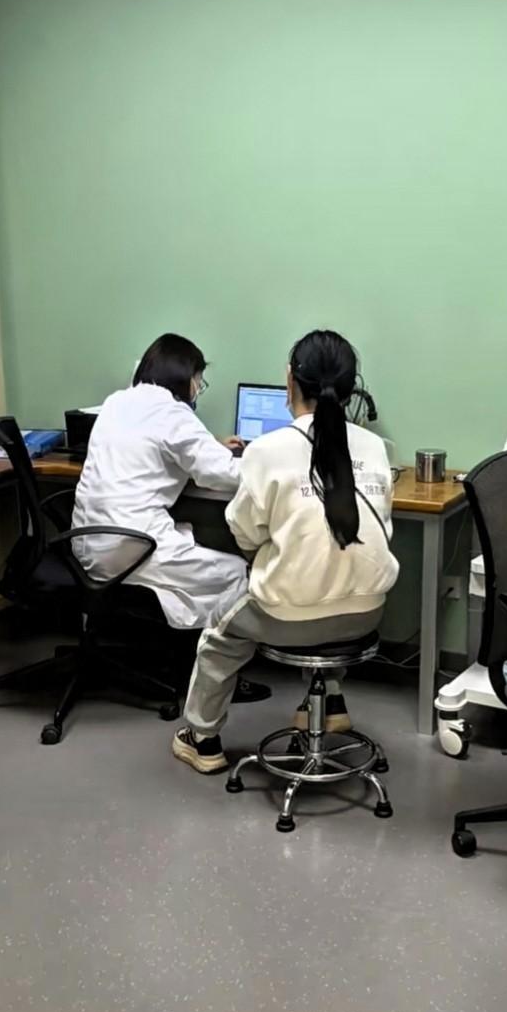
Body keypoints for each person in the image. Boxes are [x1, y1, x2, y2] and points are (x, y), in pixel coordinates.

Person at [172, 329, 400, 774]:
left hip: (287, 619)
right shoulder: (375, 448)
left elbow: (243, 531)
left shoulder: (266, 450)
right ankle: (331, 701)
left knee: (220, 634)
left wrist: (277, 549)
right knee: (333, 578)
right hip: (367, 613)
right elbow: (382, 529)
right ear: (351, 389)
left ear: (290, 381)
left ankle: (202, 740)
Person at [72, 332, 250, 636]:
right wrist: (270, 462)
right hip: (130, 549)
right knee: (238, 574)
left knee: (193, 550)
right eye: (199, 381)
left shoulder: (116, 402)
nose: (198, 389)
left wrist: (211, 446)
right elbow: (222, 473)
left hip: (86, 547)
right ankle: (210, 662)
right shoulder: (173, 413)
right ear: (187, 377)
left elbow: (153, 450)